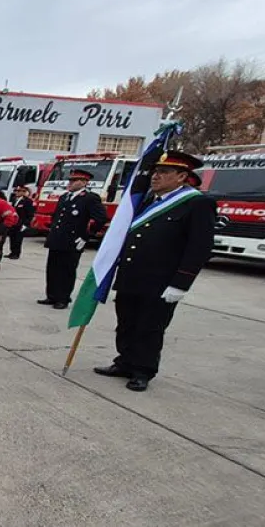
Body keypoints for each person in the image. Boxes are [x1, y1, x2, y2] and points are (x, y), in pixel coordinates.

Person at [93, 152, 215, 392]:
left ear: (182, 176)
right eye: (155, 171)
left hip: (160, 280)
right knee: (126, 323)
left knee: (149, 327)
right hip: (131, 275)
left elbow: (199, 247)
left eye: (164, 172)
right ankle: (125, 361)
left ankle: (143, 370)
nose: (156, 176)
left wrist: (181, 283)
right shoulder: (149, 200)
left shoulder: (197, 203)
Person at [38, 169, 107, 310]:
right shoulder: (64, 197)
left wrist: (86, 236)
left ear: (84, 182)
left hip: (73, 241)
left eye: (74, 180)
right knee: (53, 269)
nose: (70, 183)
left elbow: (100, 219)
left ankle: (63, 298)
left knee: (67, 271)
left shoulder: (90, 198)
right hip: (57, 239)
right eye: (70, 180)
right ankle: (51, 295)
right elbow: (57, 217)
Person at [6, 186, 36, 259]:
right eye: (16, 191)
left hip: (21, 223)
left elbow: (30, 214)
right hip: (14, 222)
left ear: (23, 192)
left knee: (18, 239)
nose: (17, 192)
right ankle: (12, 252)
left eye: (19, 191)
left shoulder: (28, 201)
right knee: (12, 238)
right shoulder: (14, 199)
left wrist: (26, 224)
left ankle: (16, 254)